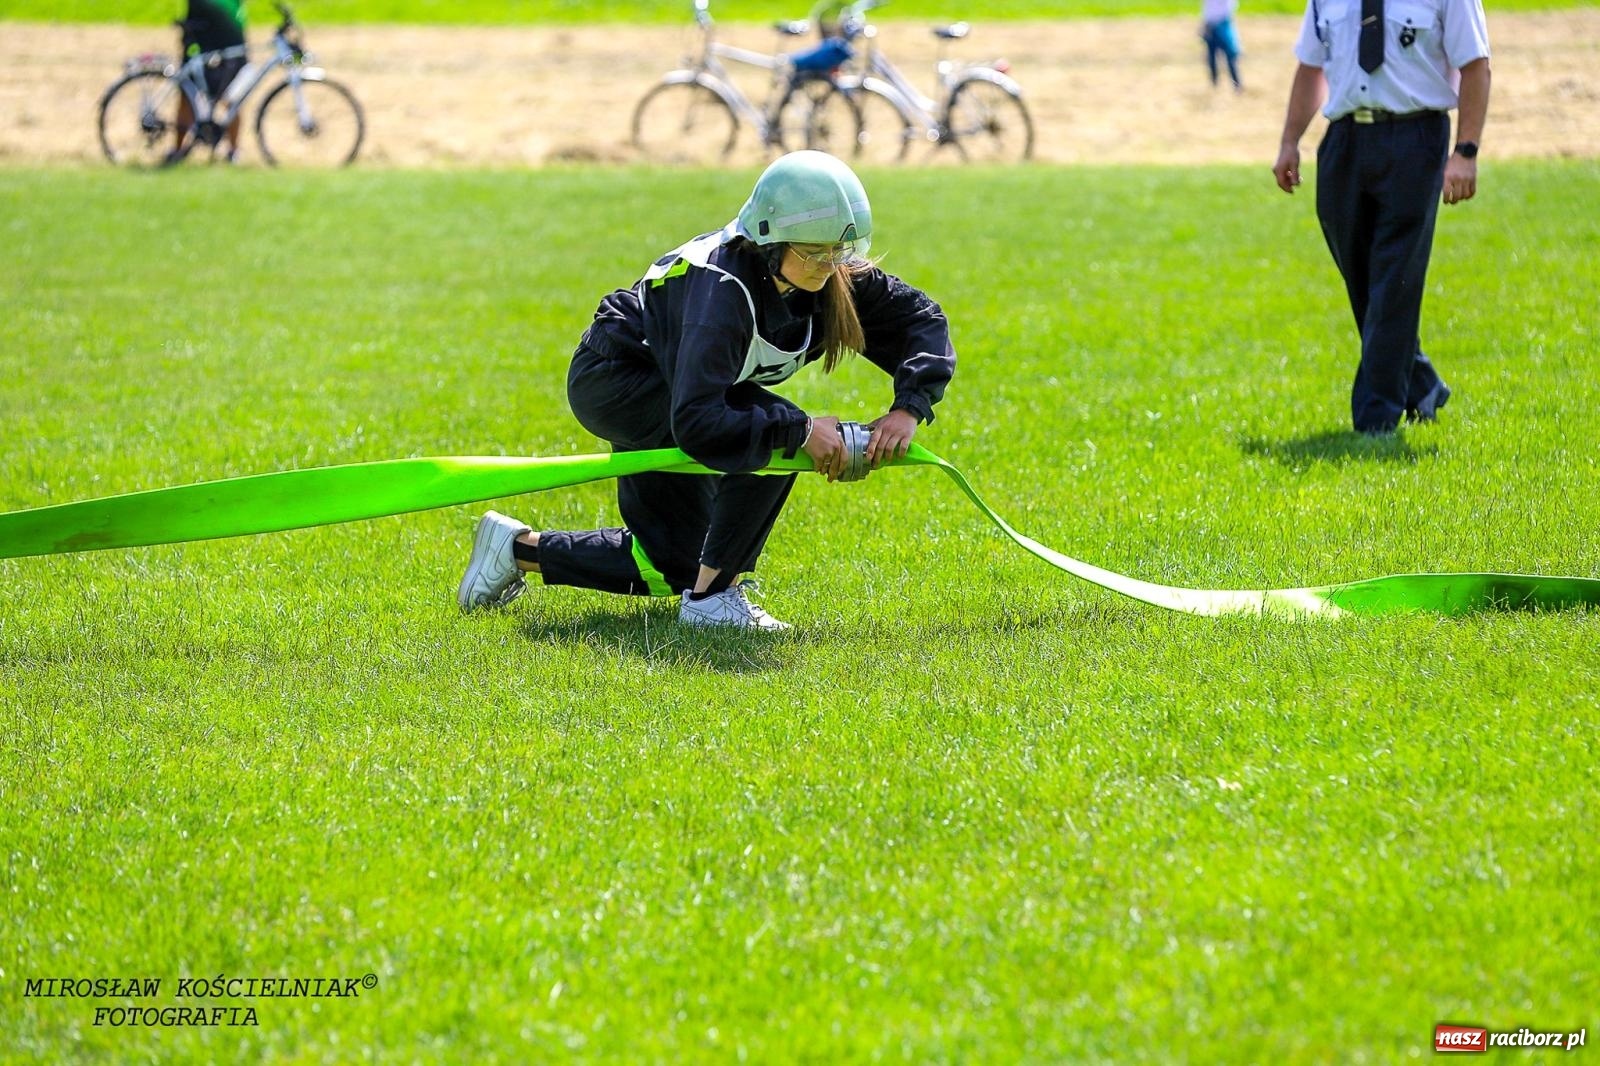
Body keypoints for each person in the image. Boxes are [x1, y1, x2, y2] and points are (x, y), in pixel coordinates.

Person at [457, 151, 956, 630]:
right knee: (777, 436)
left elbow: (921, 320)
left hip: (679, 391)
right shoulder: (721, 291)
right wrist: (802, 431)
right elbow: (697, 420)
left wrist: (909, 407)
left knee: (674, 564)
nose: (829, 264)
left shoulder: (832, 274)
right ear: (770, 240)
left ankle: (514, 550)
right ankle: (713, 599)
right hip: (617, 381)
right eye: (814, 251)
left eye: (839, 250)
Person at [1272, 0, 1490, 435]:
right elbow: (1310, 68)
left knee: (1394, 276)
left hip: (1415, 137)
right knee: (1365, 279)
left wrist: (1465, 151)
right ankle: (1422, 383)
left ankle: (1376, 419)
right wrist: (1289, 141)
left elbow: (1476, 66)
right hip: (1344, 141)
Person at [169, 0, 248, 165]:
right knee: (186, 93)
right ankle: (177, 150)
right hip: (201, 32)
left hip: (229, 34)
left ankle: (233, 151)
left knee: (233, 95)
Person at [1201, 0, 1244, 92]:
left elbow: (1229, 8)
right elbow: (1207, 9)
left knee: (1230, 56)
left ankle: (1237, 85)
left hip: (1223, 25)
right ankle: (1214, 85)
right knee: (1212, 57)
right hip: (1211, 26)